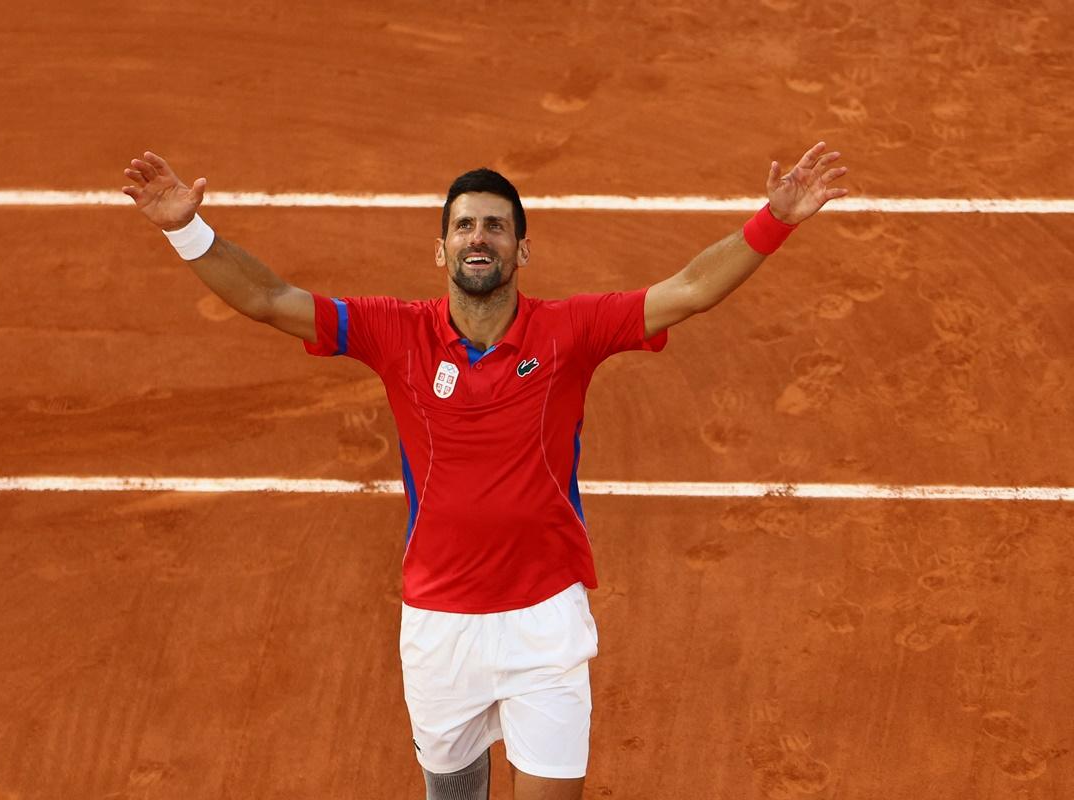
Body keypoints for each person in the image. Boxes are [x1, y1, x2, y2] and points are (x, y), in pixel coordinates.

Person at [122, 143, 848, 800]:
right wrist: (185, 229)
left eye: (496, 227)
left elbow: (688, 290)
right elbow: (270, 300)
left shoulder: (571, 331)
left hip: (545, 623)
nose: (479, 237)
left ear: (520, 250)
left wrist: (774, 221)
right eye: (465, 226)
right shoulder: (393, 332)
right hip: (439, 625)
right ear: (441, 250)